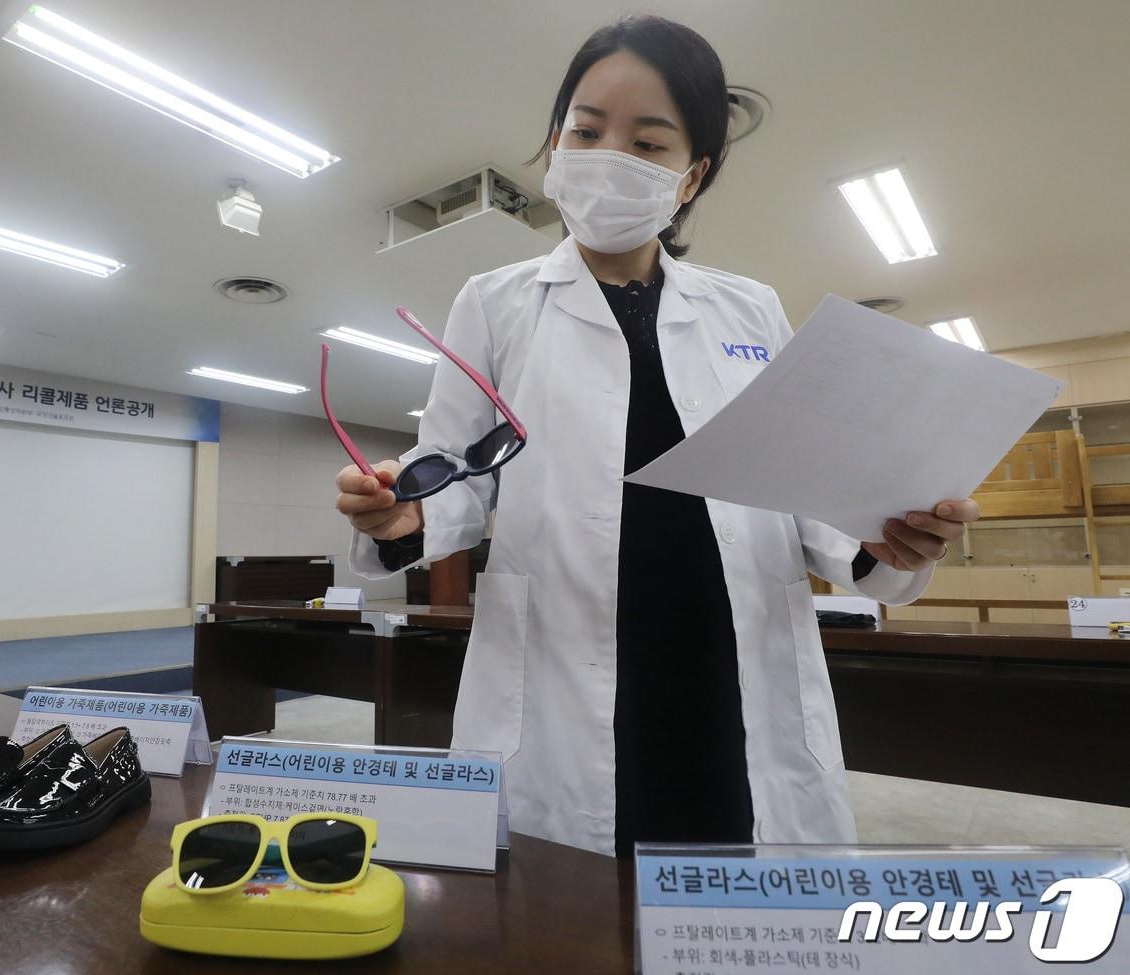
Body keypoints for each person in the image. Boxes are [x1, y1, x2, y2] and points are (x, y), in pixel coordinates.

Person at [333, 15, 978, 857]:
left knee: (736, 871)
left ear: (691, 175)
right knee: (570, 909)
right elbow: (455, 469)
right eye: (588, 130)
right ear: (555, 142)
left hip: (726, 655)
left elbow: (801, 487)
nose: (609, 156)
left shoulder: (748, 307)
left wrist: (880, 541)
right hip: (566, 663)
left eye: (648, 143)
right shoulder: (495, 300)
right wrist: (403, 516)